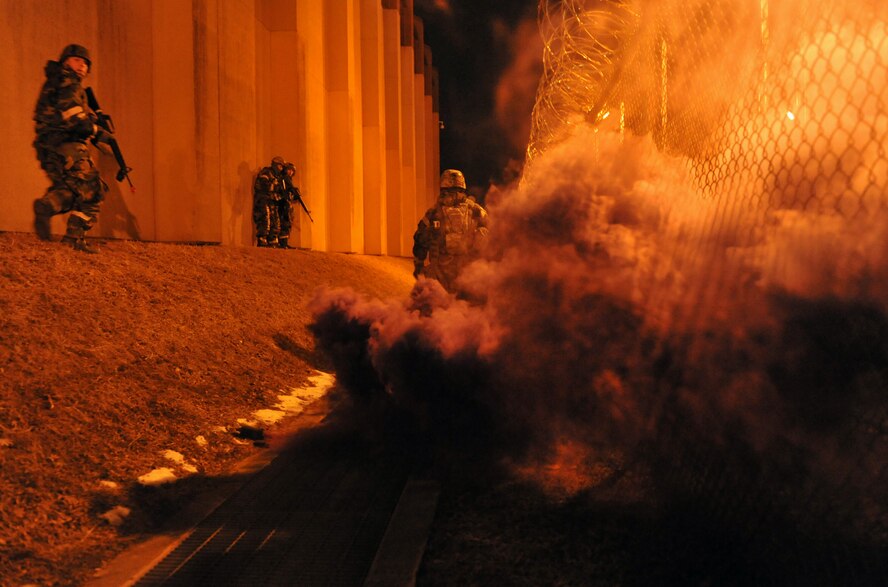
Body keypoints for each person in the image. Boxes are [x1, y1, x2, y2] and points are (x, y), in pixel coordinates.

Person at [33, 44, 114, 254]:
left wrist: (91, 120)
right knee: (94, 190)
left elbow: (64, 114)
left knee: (76, 190)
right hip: (67, 146)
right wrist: (97, 131)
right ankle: (56, 215)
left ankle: (54, 212)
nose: (82, 65)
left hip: (48, 148)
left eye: (86, 63)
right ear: (65, 61)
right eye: (77, 60)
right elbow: (75, 119)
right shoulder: (68, 83)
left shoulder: (56, 82)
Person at [413, 169, 489, 293]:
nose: (453, 194)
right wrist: (419, 266)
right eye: (451, 191)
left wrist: (419, 265)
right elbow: (420, 239)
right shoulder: (434, 213)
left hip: (466, 271)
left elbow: (491, 235)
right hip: (443, 274)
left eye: (456, 191)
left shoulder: (475, 211)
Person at [253, 156, 286, 247]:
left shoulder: (278, 176)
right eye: (280, 166)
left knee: (275, 220)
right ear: (275, 165)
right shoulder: (266, 172)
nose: (281, 168)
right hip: (264, 199)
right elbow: (264, 186)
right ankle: (262, 239)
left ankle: (273, 239)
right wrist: (273, 185)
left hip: (273, 201)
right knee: (265, 218)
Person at [277, 162, 300, 249]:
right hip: (283, 203)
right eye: (289, 170)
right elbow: (283, 191)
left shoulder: (288, 180)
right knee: (284, 222)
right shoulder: (284, 179)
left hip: (287, 203)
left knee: (287, 222)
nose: (290, 172)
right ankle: (282, 243)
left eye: (292, 171)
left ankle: (284, 242)